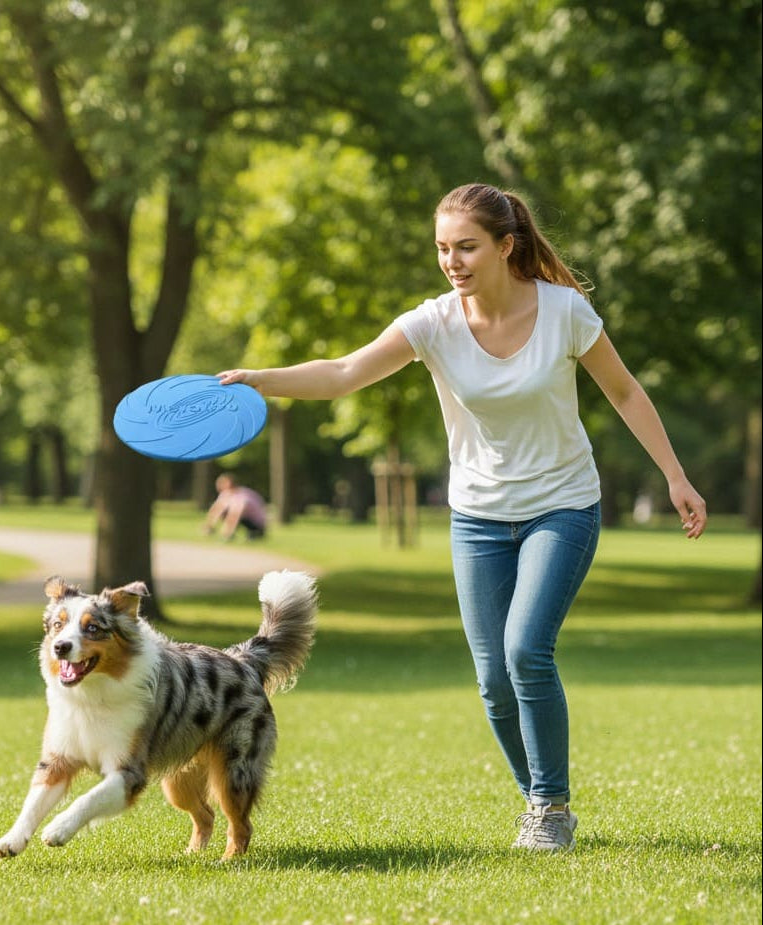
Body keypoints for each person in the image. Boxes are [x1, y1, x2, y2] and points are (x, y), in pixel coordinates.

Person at [217, 183, 707, 852]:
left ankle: (549, 808)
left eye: (466, 247)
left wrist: (675, 475)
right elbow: (343, 372)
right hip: (477, 517)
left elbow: (623, 390)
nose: (452, 261)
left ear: (505, 246)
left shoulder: (564, 311)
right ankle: (539, 800)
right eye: (443, 248)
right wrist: (259, 378)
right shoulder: (433, 323)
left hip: (561, 505)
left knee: (525, 649)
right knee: (492, 680)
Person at [203, 473, 268, 541]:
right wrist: (209, 525)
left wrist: (226, 532)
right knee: (222, 511)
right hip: (244, 518)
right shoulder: (226, 494)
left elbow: (236, 514)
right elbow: (216, 509)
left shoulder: (242, 495)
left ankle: (254, 534)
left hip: (256, 523)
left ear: (230, 484)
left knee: (232, 514)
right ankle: (226, 533)